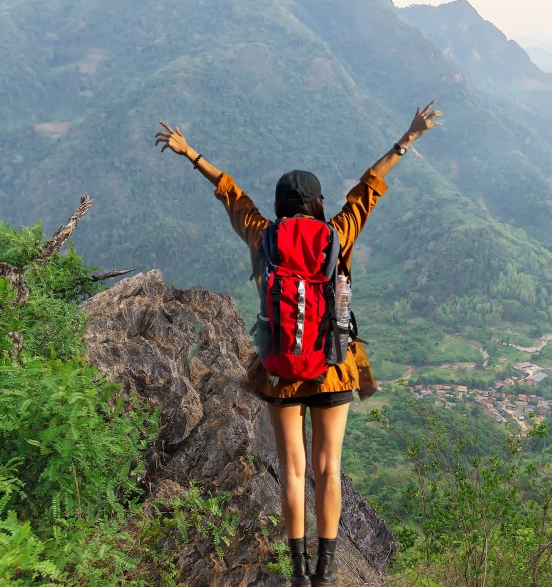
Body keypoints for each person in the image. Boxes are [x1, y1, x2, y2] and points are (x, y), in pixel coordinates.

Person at [154, 102, 442, 586]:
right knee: (329, 468)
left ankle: (297, 574)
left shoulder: (264, 236)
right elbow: (368, 188)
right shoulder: (335, 235)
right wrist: (407, 138)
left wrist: (190, 154)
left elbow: (232, 194)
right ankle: (326, 575)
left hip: (280, 368)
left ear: (282, 205)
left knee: (292, 469)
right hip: (333, 366)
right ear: (316, 203)